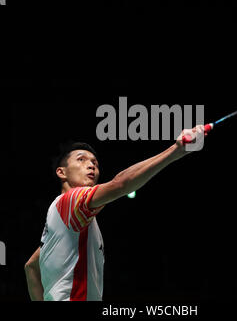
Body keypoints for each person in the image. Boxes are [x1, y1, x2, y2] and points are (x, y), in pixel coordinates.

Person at [24, 125, 206, 301]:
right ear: (61, 172)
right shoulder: (71, 200)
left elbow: (31, 267)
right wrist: (176, 150)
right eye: (81, 159)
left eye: (94, 162)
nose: (91, 165)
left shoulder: (62, 221)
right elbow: (120, 184)